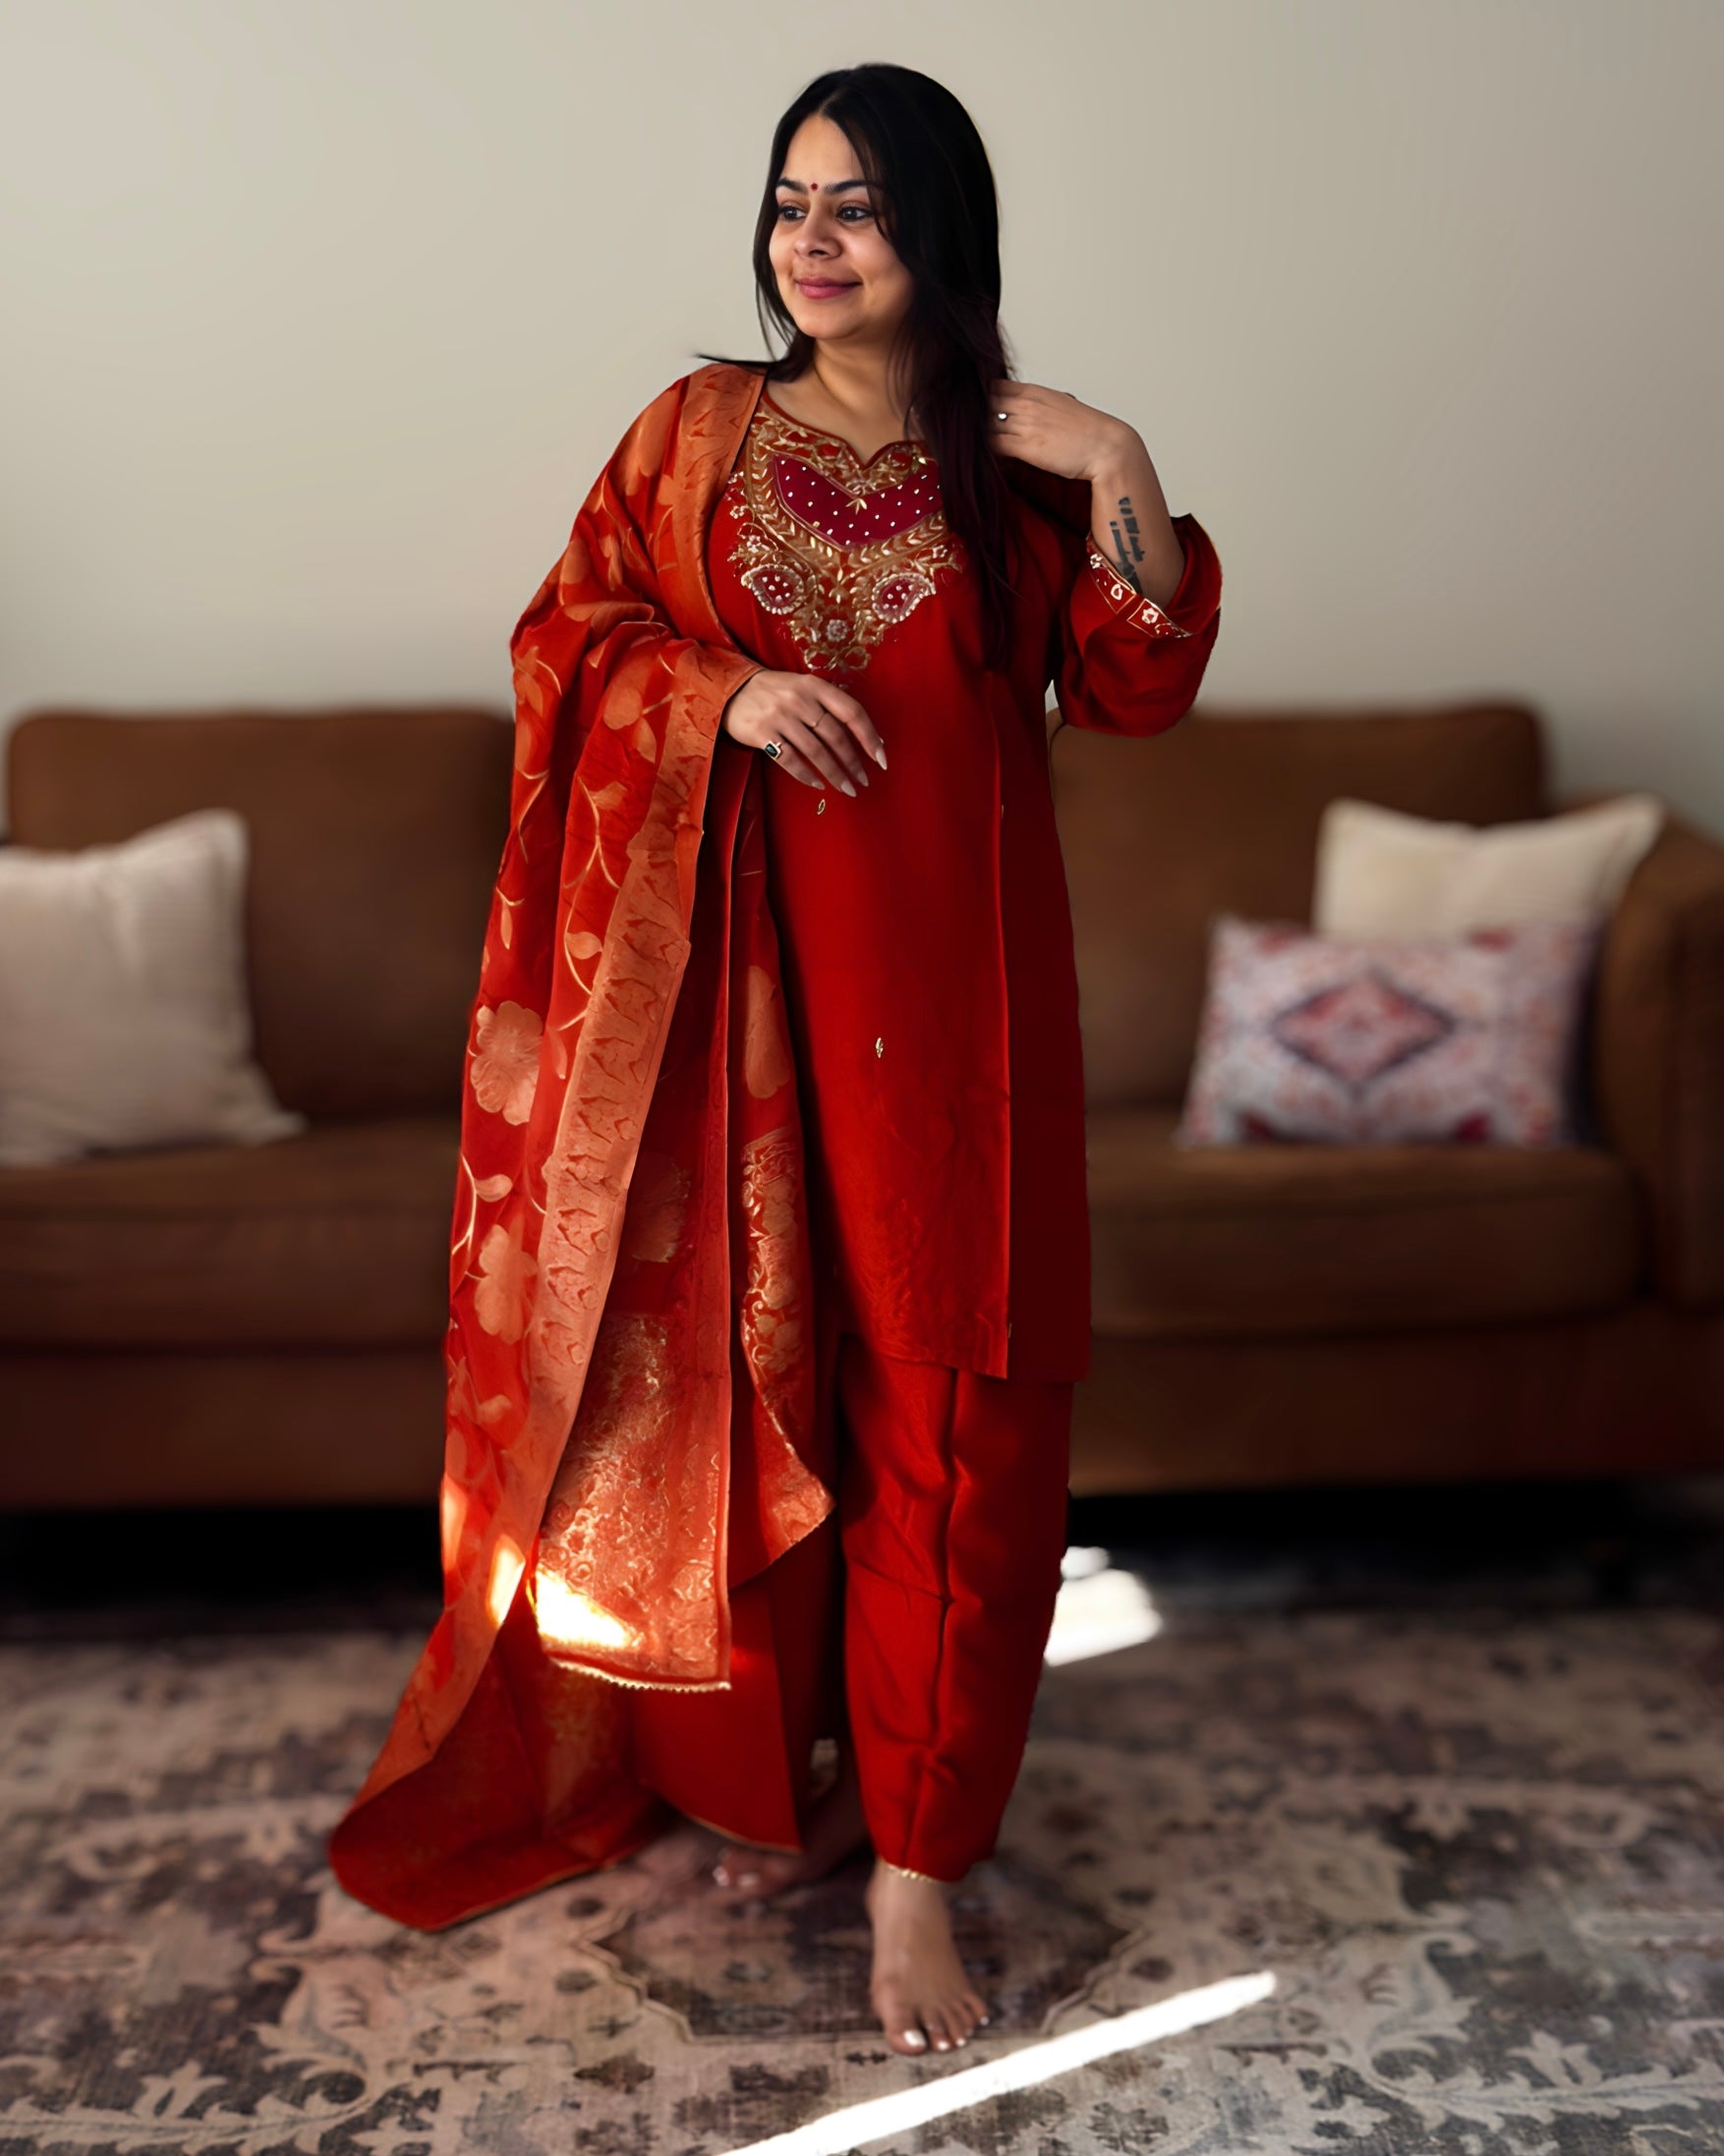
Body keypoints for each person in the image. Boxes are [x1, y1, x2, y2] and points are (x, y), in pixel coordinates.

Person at [327, 61, 1222, 2062]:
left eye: (861, 208)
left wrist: (1123, 450)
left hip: (958, 1031)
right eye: (790, 204)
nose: (812, 245)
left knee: (961, 1436)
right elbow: (564, 641)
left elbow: (1145, 678)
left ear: (941, 233)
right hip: (718, 1032)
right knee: (747, 1413)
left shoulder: (1021, 470)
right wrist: (715, 691)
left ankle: (923, 1859)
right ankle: (808, 1783)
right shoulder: (693, 436)